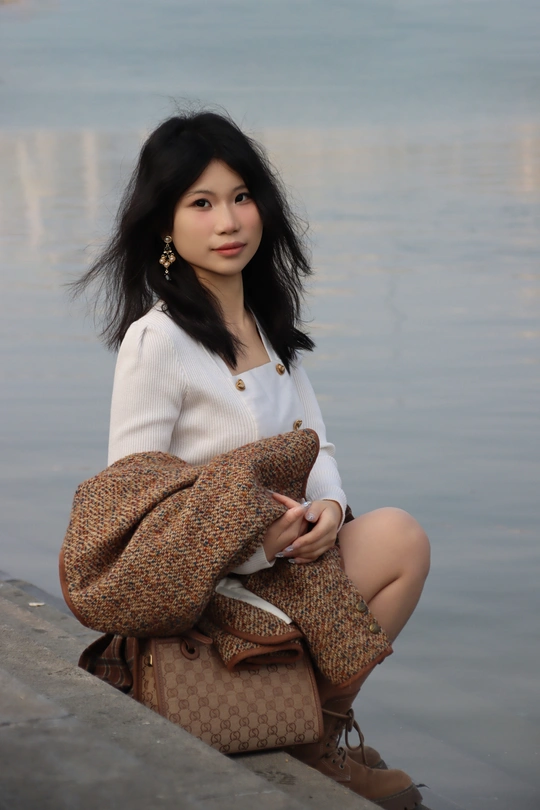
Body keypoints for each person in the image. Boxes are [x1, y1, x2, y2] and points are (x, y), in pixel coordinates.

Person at [75, 110, 430, 809]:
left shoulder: (265, 324)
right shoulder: (157, 341)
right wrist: (250, 545)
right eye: (201, 204)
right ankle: (315, 747)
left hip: (289, 564)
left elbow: (316, 442)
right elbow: (130, 505)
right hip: (209, 589)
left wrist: (329, 511)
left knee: (401, 539)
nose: (229, 221)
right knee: (382, 549)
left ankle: (315, 733)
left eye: (241, 197)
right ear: (165, 224)